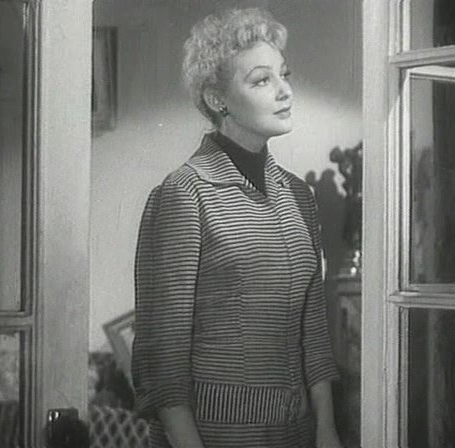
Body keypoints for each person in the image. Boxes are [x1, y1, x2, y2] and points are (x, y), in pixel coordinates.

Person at [132, 8, 343, 448]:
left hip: (298, 433)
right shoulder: (184, 194)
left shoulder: (298, 195)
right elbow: (162, 360)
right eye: (262, 80)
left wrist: (326, 430)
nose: (285, 90)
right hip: (215, 435)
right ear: (217, 99)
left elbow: (313, 330)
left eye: (284, 75)